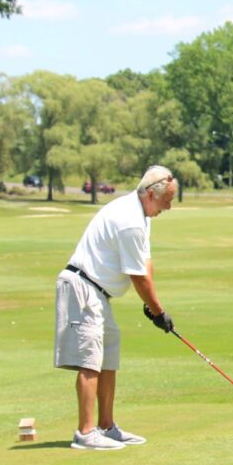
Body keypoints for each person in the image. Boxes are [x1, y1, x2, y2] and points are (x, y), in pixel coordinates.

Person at [54, 165, 179, 449]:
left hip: (97, 292)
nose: (168, 207)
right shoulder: (130, 220)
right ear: (150, 194)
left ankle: (106, 427)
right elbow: (137, 277)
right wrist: (158, 312)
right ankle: (85, 433)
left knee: (107, 355)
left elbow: (145, 265)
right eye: (166, 201)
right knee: (90, 359)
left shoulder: (142, 215)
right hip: (82, 287)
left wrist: (154, 306)